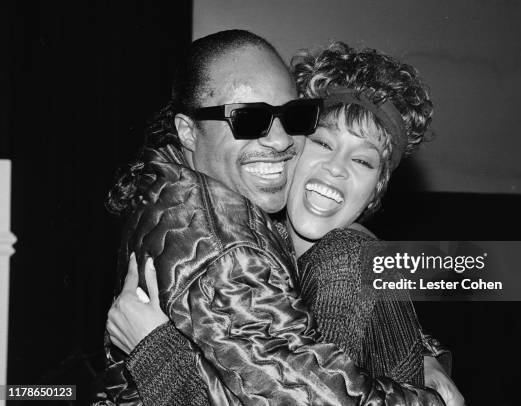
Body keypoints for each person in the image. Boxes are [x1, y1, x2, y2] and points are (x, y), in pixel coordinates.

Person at [95, 31, 459, 405]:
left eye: (363, 161)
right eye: (322, 142)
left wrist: (424, 356)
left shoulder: (341, 256)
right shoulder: (252, 235)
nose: (335, 169)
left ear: (377, 189)